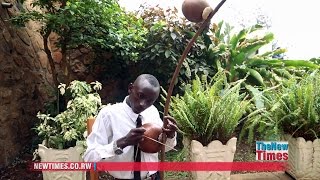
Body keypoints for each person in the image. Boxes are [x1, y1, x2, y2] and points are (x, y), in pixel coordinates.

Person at [84, 74, 178, 180]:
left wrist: (170, 136)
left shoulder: (152, 112)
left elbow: (165, 148)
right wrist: (122, 143)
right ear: (130, 88)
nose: (143, 104)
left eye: (149, 101)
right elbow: (89, 157)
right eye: (140, 96)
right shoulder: (109, 114)